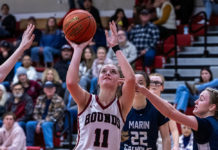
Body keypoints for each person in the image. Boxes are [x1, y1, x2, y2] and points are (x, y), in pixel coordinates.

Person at [66, 21, 135, 149]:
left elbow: (131, 79)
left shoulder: (122, 106)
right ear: (98, 80)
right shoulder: (86, 100)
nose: (107, 73)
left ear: (119, 81)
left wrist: (115, 47)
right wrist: (78, 49)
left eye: (113, 72)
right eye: (103, 71)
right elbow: (70, 82)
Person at [136, 84, 218, 149]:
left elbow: (170, 112)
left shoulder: (205, 124)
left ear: (212, 107)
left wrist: (144, 91)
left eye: (201, 99)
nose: (195, 101)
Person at [120, 71, 171, 150]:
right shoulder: (121, 107)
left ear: (147, 87)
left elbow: (166, 138)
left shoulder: (158, 108)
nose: (136, 85)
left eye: (140, 83)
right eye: (133, 83)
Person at [26, 81, 65, 149]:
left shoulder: (59, 100)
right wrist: (39, 122)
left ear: (54, 89)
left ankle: (49, 147)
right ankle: (30, 146)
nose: (49, 90)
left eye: (51, 88)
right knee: (29, 124)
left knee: (46, 125)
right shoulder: (40, 98)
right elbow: (35, 113)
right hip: (41, 122)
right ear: (44, 90)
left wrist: (40, 123)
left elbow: (56, 116)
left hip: (55, 123)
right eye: (47, 88)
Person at [149, 73, 179, 150]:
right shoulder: (139, 103)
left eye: (157, 83)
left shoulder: (167, 105)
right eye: (151, 82)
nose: (154, 85)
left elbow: (174, 129)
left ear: (162, 87)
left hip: (161, 144)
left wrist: (176, 146)